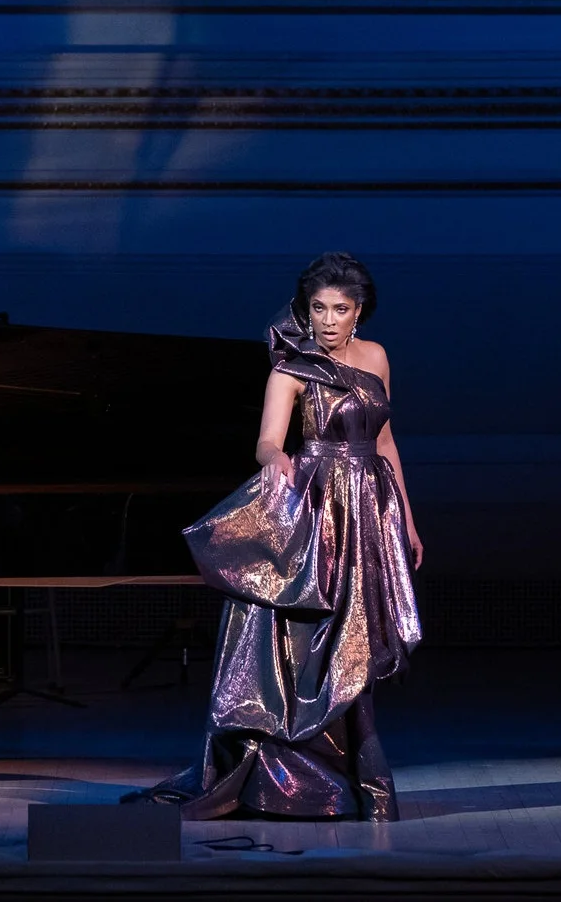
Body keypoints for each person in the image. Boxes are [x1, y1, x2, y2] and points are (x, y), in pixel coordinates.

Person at [144, 252, 425, 820]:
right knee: (313, 637)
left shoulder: (376, 357)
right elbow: (267, 441)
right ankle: (295, 775)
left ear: (358, 311)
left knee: (359, 641)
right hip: (319, 507)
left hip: (370, 507)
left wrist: (408, 522)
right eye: (317, 308)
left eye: (339, 309)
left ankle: (357, 772)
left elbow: (387, 442)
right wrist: (276, 461)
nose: (327, 319)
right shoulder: (291, 368)